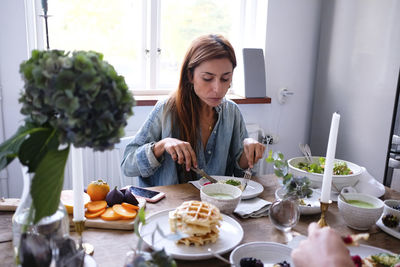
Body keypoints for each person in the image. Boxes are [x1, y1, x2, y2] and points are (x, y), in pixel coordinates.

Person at [121, 34, 266, 187]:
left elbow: (240, 177)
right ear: (190, 76)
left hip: (215, 208)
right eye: (207, 78)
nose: (218, 89)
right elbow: (127, 165)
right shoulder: (166, 109)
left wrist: (249, 152)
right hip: (169, 207)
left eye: (225, 79)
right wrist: (162, 145)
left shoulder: (232, 112)